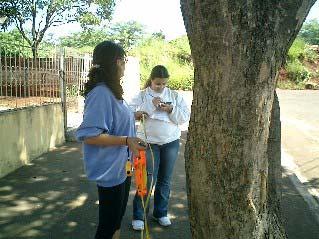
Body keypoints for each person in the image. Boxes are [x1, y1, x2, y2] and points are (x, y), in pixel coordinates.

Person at [76, 41, 146, 239]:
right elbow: (90, 135)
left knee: (116, 222)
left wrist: (133, 116)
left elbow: (114, 119)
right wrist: (127, 140)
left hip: (122, 168)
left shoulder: (111, 90)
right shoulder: (101, 93)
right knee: (107, 227)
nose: (124, 65)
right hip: (110, 170)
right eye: (123, 61)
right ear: (117, 62)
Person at [129, 65, 190, 230]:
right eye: (157, 84)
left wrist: (171, 109)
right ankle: (139, 215)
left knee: (165, 180)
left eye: (164, 84)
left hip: (170, 142)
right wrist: (150, 105)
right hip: (148, 143)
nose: (161, 87)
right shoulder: (142, 95)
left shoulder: (174, 95)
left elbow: (184, 116)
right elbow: (129, 113)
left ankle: (160, 213)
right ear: (151, 80)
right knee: (146, 179)